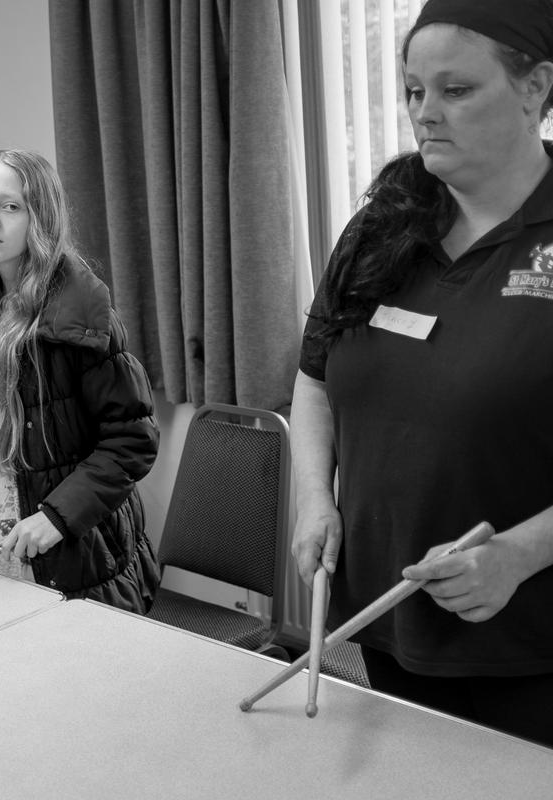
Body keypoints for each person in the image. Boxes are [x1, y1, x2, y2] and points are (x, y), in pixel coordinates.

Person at [292, 0, 553, 747]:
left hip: (527, 640)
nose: (424, 113)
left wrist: (517, 554)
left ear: (535, 87)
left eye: (455, 90)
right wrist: (316, 499)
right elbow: (315, 377)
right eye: (413, 91)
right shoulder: (384, 221)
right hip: (391, 619)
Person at [0, 149, 160, 614]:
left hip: (73, 550)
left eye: (10, 206)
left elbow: (132, 441)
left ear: (39, 217)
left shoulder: (79, 314)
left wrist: (57, 517)